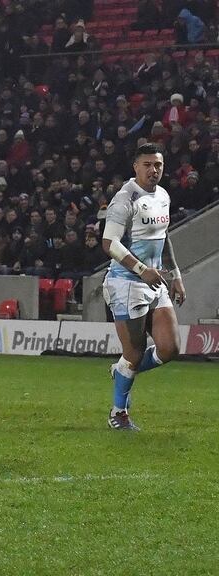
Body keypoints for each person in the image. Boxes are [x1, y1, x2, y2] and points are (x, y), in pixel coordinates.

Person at [101, 143, 186, 431]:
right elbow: (109, 243)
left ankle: (122, 370)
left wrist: (175, 275)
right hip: (126, 283)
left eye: (158, 165)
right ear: (136, 167)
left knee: (170, 347)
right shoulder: (125, 198)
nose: (154, 170)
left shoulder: (162, 195)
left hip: (155, 280)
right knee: (135, 352)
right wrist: (142, 269)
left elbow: (164, 237)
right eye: (148, 164)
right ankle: (118, 412)